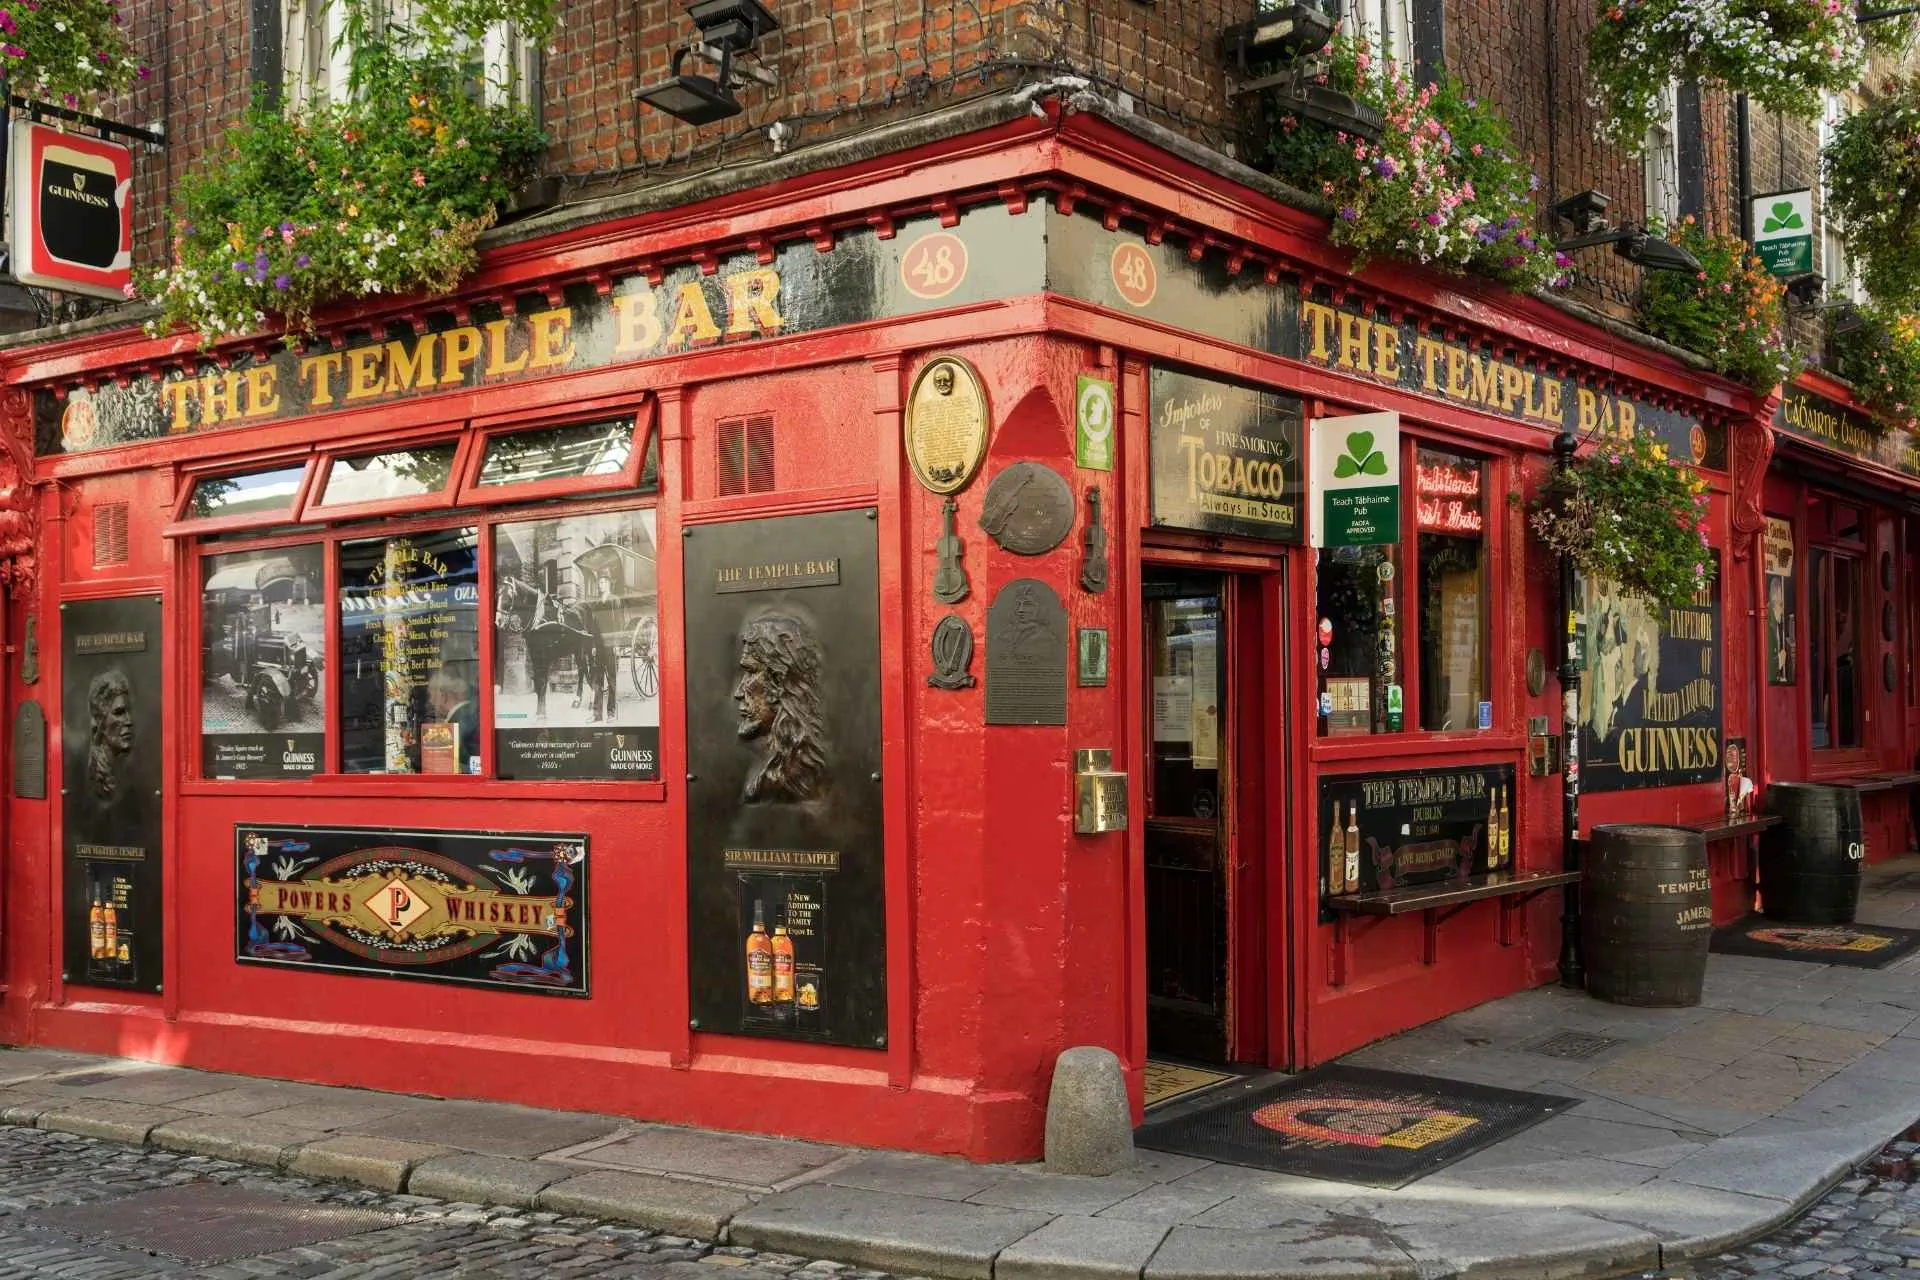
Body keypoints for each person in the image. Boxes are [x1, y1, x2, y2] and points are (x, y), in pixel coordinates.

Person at [733, 613, 828, 803]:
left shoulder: (789, 778)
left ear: (778, 681)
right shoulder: (782, 772)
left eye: (751, 672)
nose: (739, 691)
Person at [428, 668, 480, 772]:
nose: (430, 701)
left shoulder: (457, 723)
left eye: (430, 695)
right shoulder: (471, 715)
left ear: (442, 695)